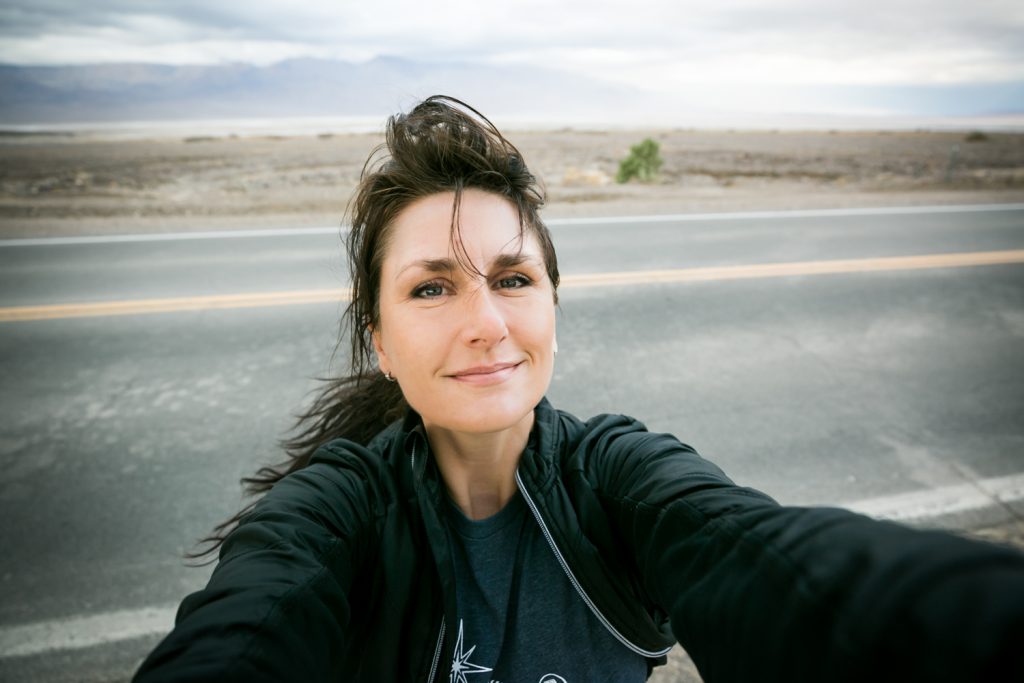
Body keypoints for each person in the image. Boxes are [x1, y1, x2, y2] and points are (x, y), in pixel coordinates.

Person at [133, 96, 1024, 683]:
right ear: (382, 346)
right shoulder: (337, 513)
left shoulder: (617, 481)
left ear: (553, 306)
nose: (487, 320)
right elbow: (248, 631)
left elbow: (776, 567)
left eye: (514, 279)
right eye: (433, 286)